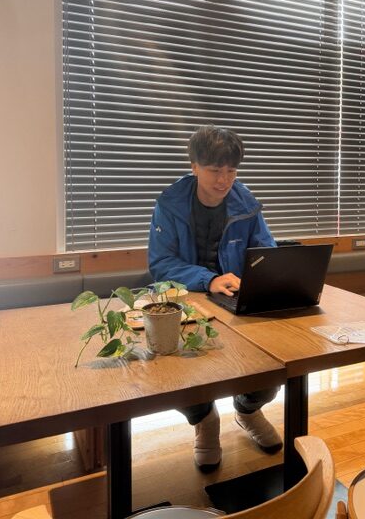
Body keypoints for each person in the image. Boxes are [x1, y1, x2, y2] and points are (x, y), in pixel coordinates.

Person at [148, 125, 282, 472]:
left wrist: (258, 276)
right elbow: (161, 264)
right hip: (185, 298)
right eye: (214, 170)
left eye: (231, 171)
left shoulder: (246, 203)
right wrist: (208, 279)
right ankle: (205, 420)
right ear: (194, 166)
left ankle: (247, 410)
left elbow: (266, 251)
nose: (224, 180)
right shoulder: (169, 204)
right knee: (174, 369)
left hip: (235, 298)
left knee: (277, 358)